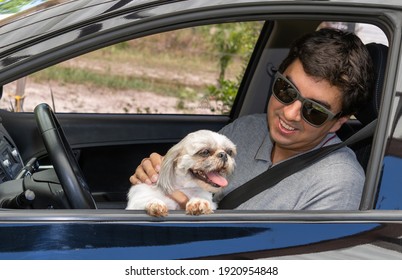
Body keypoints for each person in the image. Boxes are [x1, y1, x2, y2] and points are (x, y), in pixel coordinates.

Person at [129, 28, 374, 210]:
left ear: (338, 122)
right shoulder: (246, 129)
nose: (289, 113)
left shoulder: (337, 183)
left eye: (314, 111)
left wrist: (185, 207)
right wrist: (159, 181)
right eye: (285, 90)